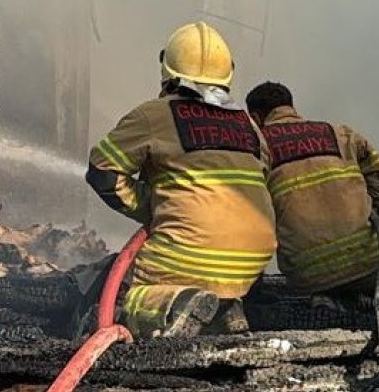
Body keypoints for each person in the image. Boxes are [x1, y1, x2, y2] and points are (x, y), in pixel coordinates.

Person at [85, 22, 277, 338]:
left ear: (167, 67)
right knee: (218, 287)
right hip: (251, 264)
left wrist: (150, 205)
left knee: (121, 298)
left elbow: (102, 172)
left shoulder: (153, 115)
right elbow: (259, 182)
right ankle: (226, 308)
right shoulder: (248, 125)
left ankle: (178, 302)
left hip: (187, 256)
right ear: (228, 73)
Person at [245, 81, 379, 324]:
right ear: (291, 107)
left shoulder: (255, 149)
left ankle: (332, 299)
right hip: (368, 257)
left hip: (306, 272)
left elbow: (248, 211)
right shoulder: (340, 133)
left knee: (328, 286)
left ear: (254, 117)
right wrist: (362, 213)